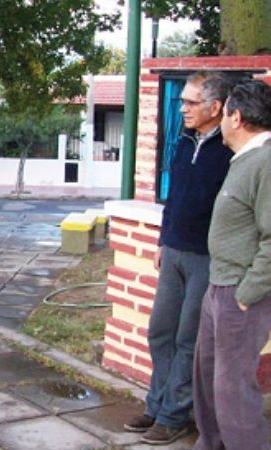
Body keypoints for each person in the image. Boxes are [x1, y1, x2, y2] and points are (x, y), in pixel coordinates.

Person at [123, 72, 234, 445]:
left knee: (189, 339)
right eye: (182, 101)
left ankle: (174, 416)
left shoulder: (231, 150)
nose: (182, 107)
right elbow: (173, 196)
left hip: (206, 257)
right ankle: (156, 405)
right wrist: (161, 240)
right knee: (160, 332)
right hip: (172, 252)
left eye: (189, 102)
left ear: (215, 107)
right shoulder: (185, 140)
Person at [192, 79, 271, 450]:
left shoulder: (266, 162)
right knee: (208, 383)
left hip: (241, 296)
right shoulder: (244, 160)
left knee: (234, 393)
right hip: (218, 286)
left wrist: (247, 292)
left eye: (224, 114)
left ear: (235, 117)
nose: (220, 121)